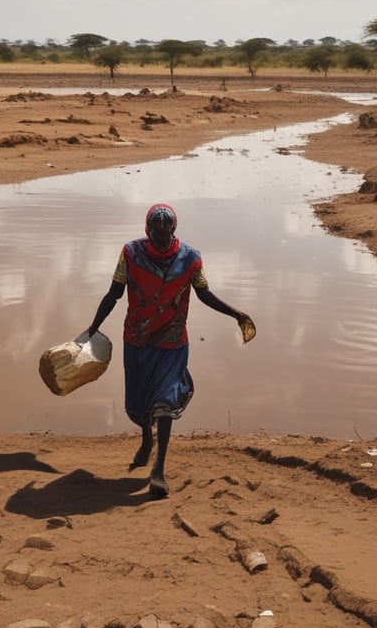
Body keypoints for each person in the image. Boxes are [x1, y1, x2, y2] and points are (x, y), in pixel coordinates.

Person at [88, 202, 255, 498]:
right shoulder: (130, 253)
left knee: (165, 401)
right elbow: (114, 292)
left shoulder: (191, 259)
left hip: (172, 341)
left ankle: (159, 468)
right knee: (142, 403)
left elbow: (204, 294)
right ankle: (146, 440)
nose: (161, 239)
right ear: (147, 231)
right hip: (138, 340)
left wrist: (236, 313)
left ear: (174, 231)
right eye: (156, 234)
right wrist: (93, 326)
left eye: (166, 234)